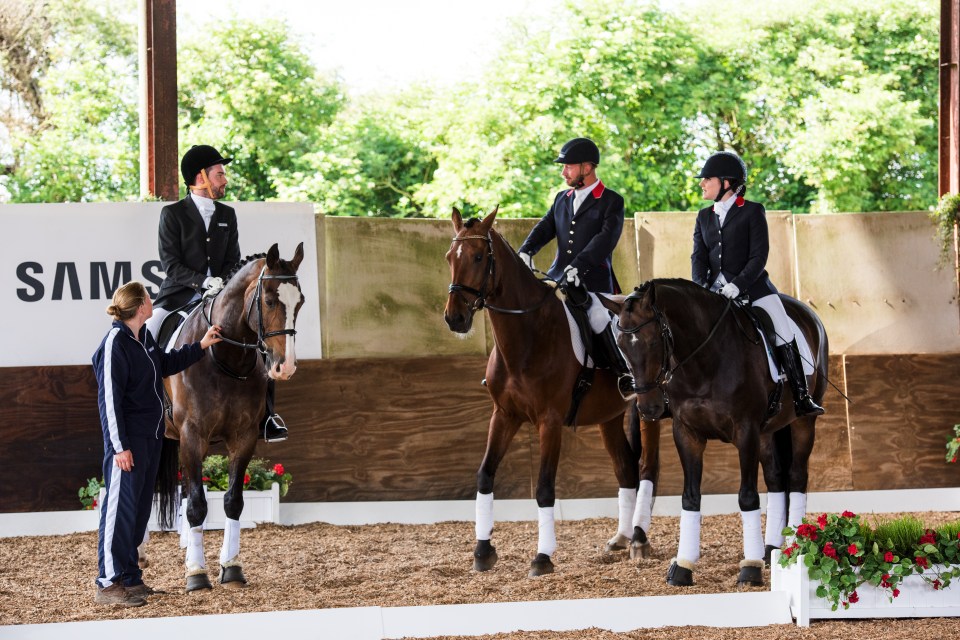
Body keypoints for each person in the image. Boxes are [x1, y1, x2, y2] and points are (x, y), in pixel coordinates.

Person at [145, 144, 288, 443]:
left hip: (221, 297)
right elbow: (171, 264)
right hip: (179, 296)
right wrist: (201, 282)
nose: (225, 180)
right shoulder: (172, 214)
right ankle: (148, 410)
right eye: (220, 174)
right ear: (201, 177)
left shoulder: (227, 214)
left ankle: (268, 416)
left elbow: (233, 263)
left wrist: (220, 283)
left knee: (259, 337)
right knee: (148, 333)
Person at [92, 281, 222, 606]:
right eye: (148, 298)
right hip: (128, 445)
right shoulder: (114, 344)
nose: (153, 300)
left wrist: (201, 345)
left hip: (150, 441)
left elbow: (165, 363)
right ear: (139, 307)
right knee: (119, 512)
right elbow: (109, 401)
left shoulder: (144, 338)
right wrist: (120, 446)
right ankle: (108, 583)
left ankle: (131, 579)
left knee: (137, 514)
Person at [690, 151, 824, 418]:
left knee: (783, 329)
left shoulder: (751, 211)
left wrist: (737, 285)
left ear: (727, 182)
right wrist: (703, 288)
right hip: (715, 293)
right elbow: (698, 257)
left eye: (707, 179)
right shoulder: (704, 217)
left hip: (754, 290)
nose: (702, 184)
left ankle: (801, 395)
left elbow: (758, 257)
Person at [517, 137, 636, 400]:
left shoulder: (611, 201)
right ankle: (514, 372)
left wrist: (579, 266)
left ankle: (624, 375)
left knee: (597, 316)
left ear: (587, 167)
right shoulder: (562, 199)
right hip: (557, 277)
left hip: (593, 281)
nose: (563, 172)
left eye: (568, 166)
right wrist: (526, 250)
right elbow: (545, 227)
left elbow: (605, 240)